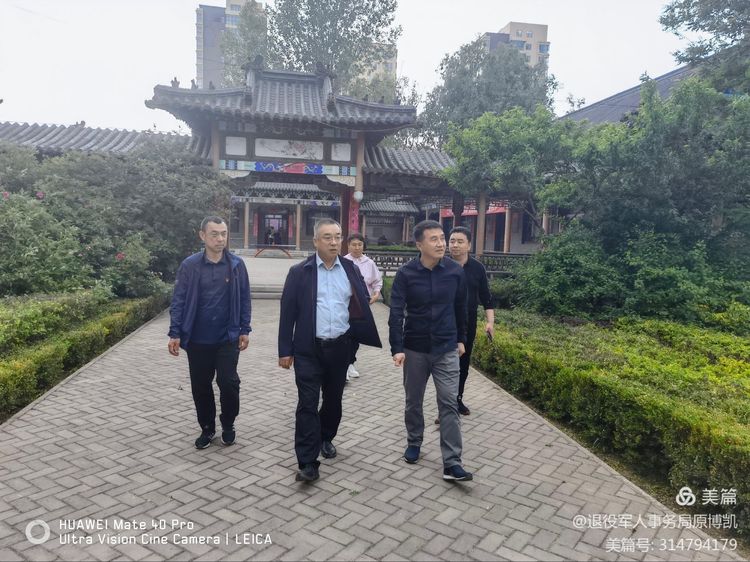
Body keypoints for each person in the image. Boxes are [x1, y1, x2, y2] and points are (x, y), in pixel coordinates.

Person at [278, 219, 381, 482]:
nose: (334, 242)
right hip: (308, 349)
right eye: (327, 237)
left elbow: (360, 302)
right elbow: (287, 313)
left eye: (337, 236)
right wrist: (284, 350)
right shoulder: (299, 272)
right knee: (307, 403)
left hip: (340, 347)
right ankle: (307, 462)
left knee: (333, 400)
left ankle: (326, 437)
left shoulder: (350, 268)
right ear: (315, 241)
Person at [388, 219, 473, 482]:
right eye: (434, 239)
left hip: (446, 348)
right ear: (419, 244)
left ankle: (452, 462)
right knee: (413, 401)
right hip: (415, 348)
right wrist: (397, 348)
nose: (441, 244)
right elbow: (395, 313)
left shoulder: (455, 271)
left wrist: (461, 339)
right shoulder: (406, 274)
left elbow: (461, 308)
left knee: (448, 402)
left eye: (442, 238)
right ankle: (414, 441)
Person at [168, 216, 252, 449]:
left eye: (223, 233)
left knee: (229, 383)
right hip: (197, 339)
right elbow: (179, 300)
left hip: (227, 338)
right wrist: (175, 333)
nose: (220, 239)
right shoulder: (190, 266)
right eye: (214, 234)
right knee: (201, 386)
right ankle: (207, 428)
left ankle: (228, 424)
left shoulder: (236, 265)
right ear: (202, 236)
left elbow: (245, 298)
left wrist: (244, 328)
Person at [446, 226, 494, 416]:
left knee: (463, 363)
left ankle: (457, 399)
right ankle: (446, 406)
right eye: (452, 241)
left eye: (460, 241)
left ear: (469, 245)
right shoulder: (442, 265)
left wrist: (490, 322)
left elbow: (486, 297)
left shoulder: (477, 268)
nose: (455, 245)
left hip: (468, 322)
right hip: (444, 321)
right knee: (445, 365)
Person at [343, 232, 383, 380]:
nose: (357, 247)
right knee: (345, 333)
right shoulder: (343, 261)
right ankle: (344, 365)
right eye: (353, 244)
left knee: (356, 334)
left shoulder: (369, 263)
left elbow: (377, 281)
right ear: (348, 246)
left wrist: (376, 294)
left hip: (362, 305)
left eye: (359, 244)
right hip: (346, 304)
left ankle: (350, 363)